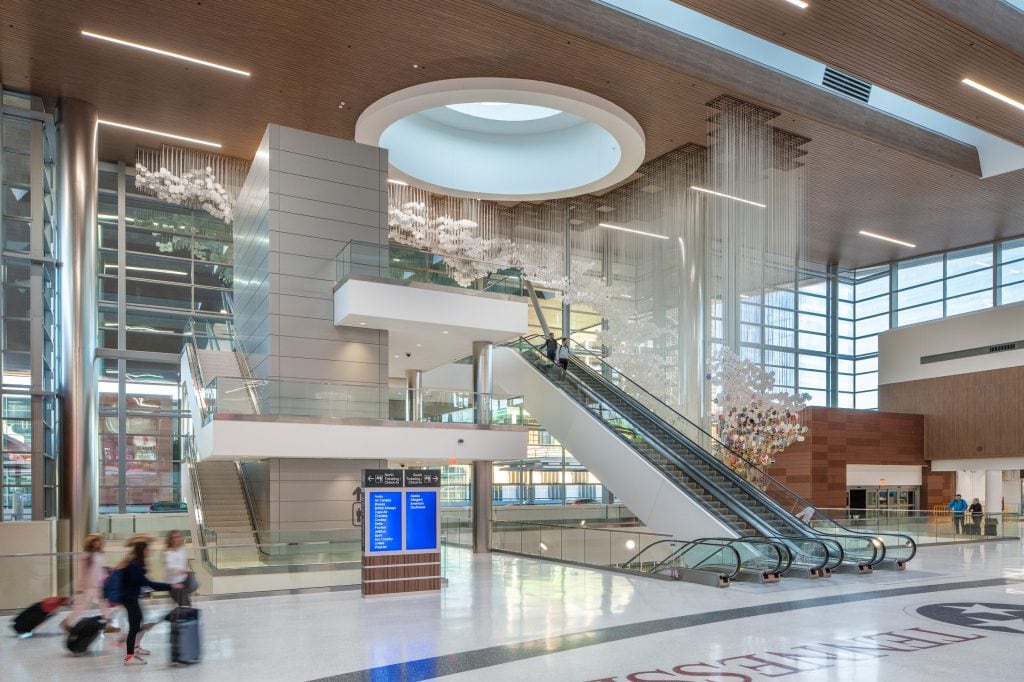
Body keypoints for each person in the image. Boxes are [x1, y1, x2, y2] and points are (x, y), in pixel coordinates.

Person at [120, 539, 180, 666]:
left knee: (137, 624)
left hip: (131, 598)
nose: (149, 551)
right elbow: (149, 584)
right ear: (142, 551)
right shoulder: (135, 566)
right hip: (130, 599)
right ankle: (129, 657)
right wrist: (170, 586)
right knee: (134, 628)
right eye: (147, 549)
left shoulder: (136, 564)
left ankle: (133, 651)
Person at [62, 533, 120, 634]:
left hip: (98, 583)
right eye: (96, 541)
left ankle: (108, 625)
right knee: (85, 605)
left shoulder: (98, 554)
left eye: (99, 540)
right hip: (90, 585)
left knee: (103, 604)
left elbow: (99, 569)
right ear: (91, 542)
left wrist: (105, 577)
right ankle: (67, 622)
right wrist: (81, 585)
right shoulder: (87, 555)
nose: (98, 543)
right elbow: (83, 571)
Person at [163, 530, 194, 607]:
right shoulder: (168, 553)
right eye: (174, 537)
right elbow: (170, 568)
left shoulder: (181, 550)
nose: (176, 539)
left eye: (178, 537)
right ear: (170, 540)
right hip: (174, 583)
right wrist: (183, 570)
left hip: (183, 580)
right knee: (185, 605)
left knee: (186, 605)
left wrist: (187, 570)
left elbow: (183, 563)